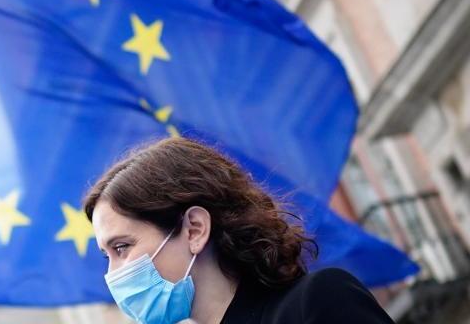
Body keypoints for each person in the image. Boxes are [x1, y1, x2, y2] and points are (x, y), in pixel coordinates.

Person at [83, 137, 395, 324]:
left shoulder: (315, 303)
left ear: (194, 229)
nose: (113, 274)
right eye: (106, 255)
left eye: (121, 247)